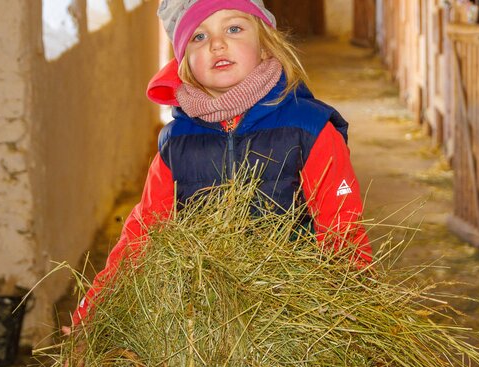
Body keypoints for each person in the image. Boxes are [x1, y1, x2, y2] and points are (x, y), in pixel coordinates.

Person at [71, 0, 371, 327]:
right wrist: (92, 312)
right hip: (203, 324)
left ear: (266, 47)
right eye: (199, 37)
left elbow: (342, 230)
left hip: (295, 319)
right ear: (183, 64)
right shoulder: (176, 144)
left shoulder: (309, 129)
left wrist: (357, 314)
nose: (217, 43)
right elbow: (141, 234)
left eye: (233, 28)